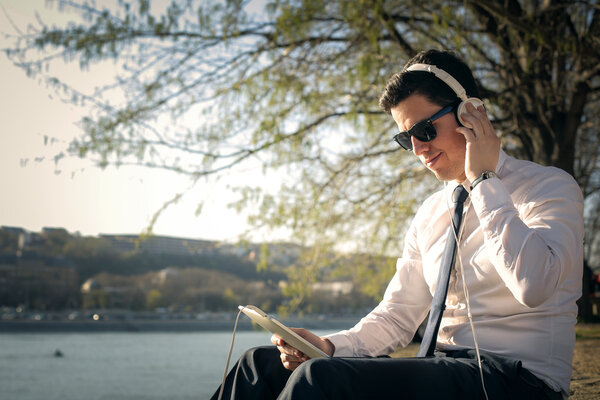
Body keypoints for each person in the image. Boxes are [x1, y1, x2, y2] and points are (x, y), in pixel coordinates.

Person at [211, 50, 584, 400]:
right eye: (407, 138)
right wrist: (328, 347)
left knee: (319, 382)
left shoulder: (549, 187)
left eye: (425, 130)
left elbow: (534, 285)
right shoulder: (431, 213)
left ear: (472, 114)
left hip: (520, 381)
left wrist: (484, 181)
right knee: (259, 366)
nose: (419, 150)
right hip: (441, 371)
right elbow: (399, 314)